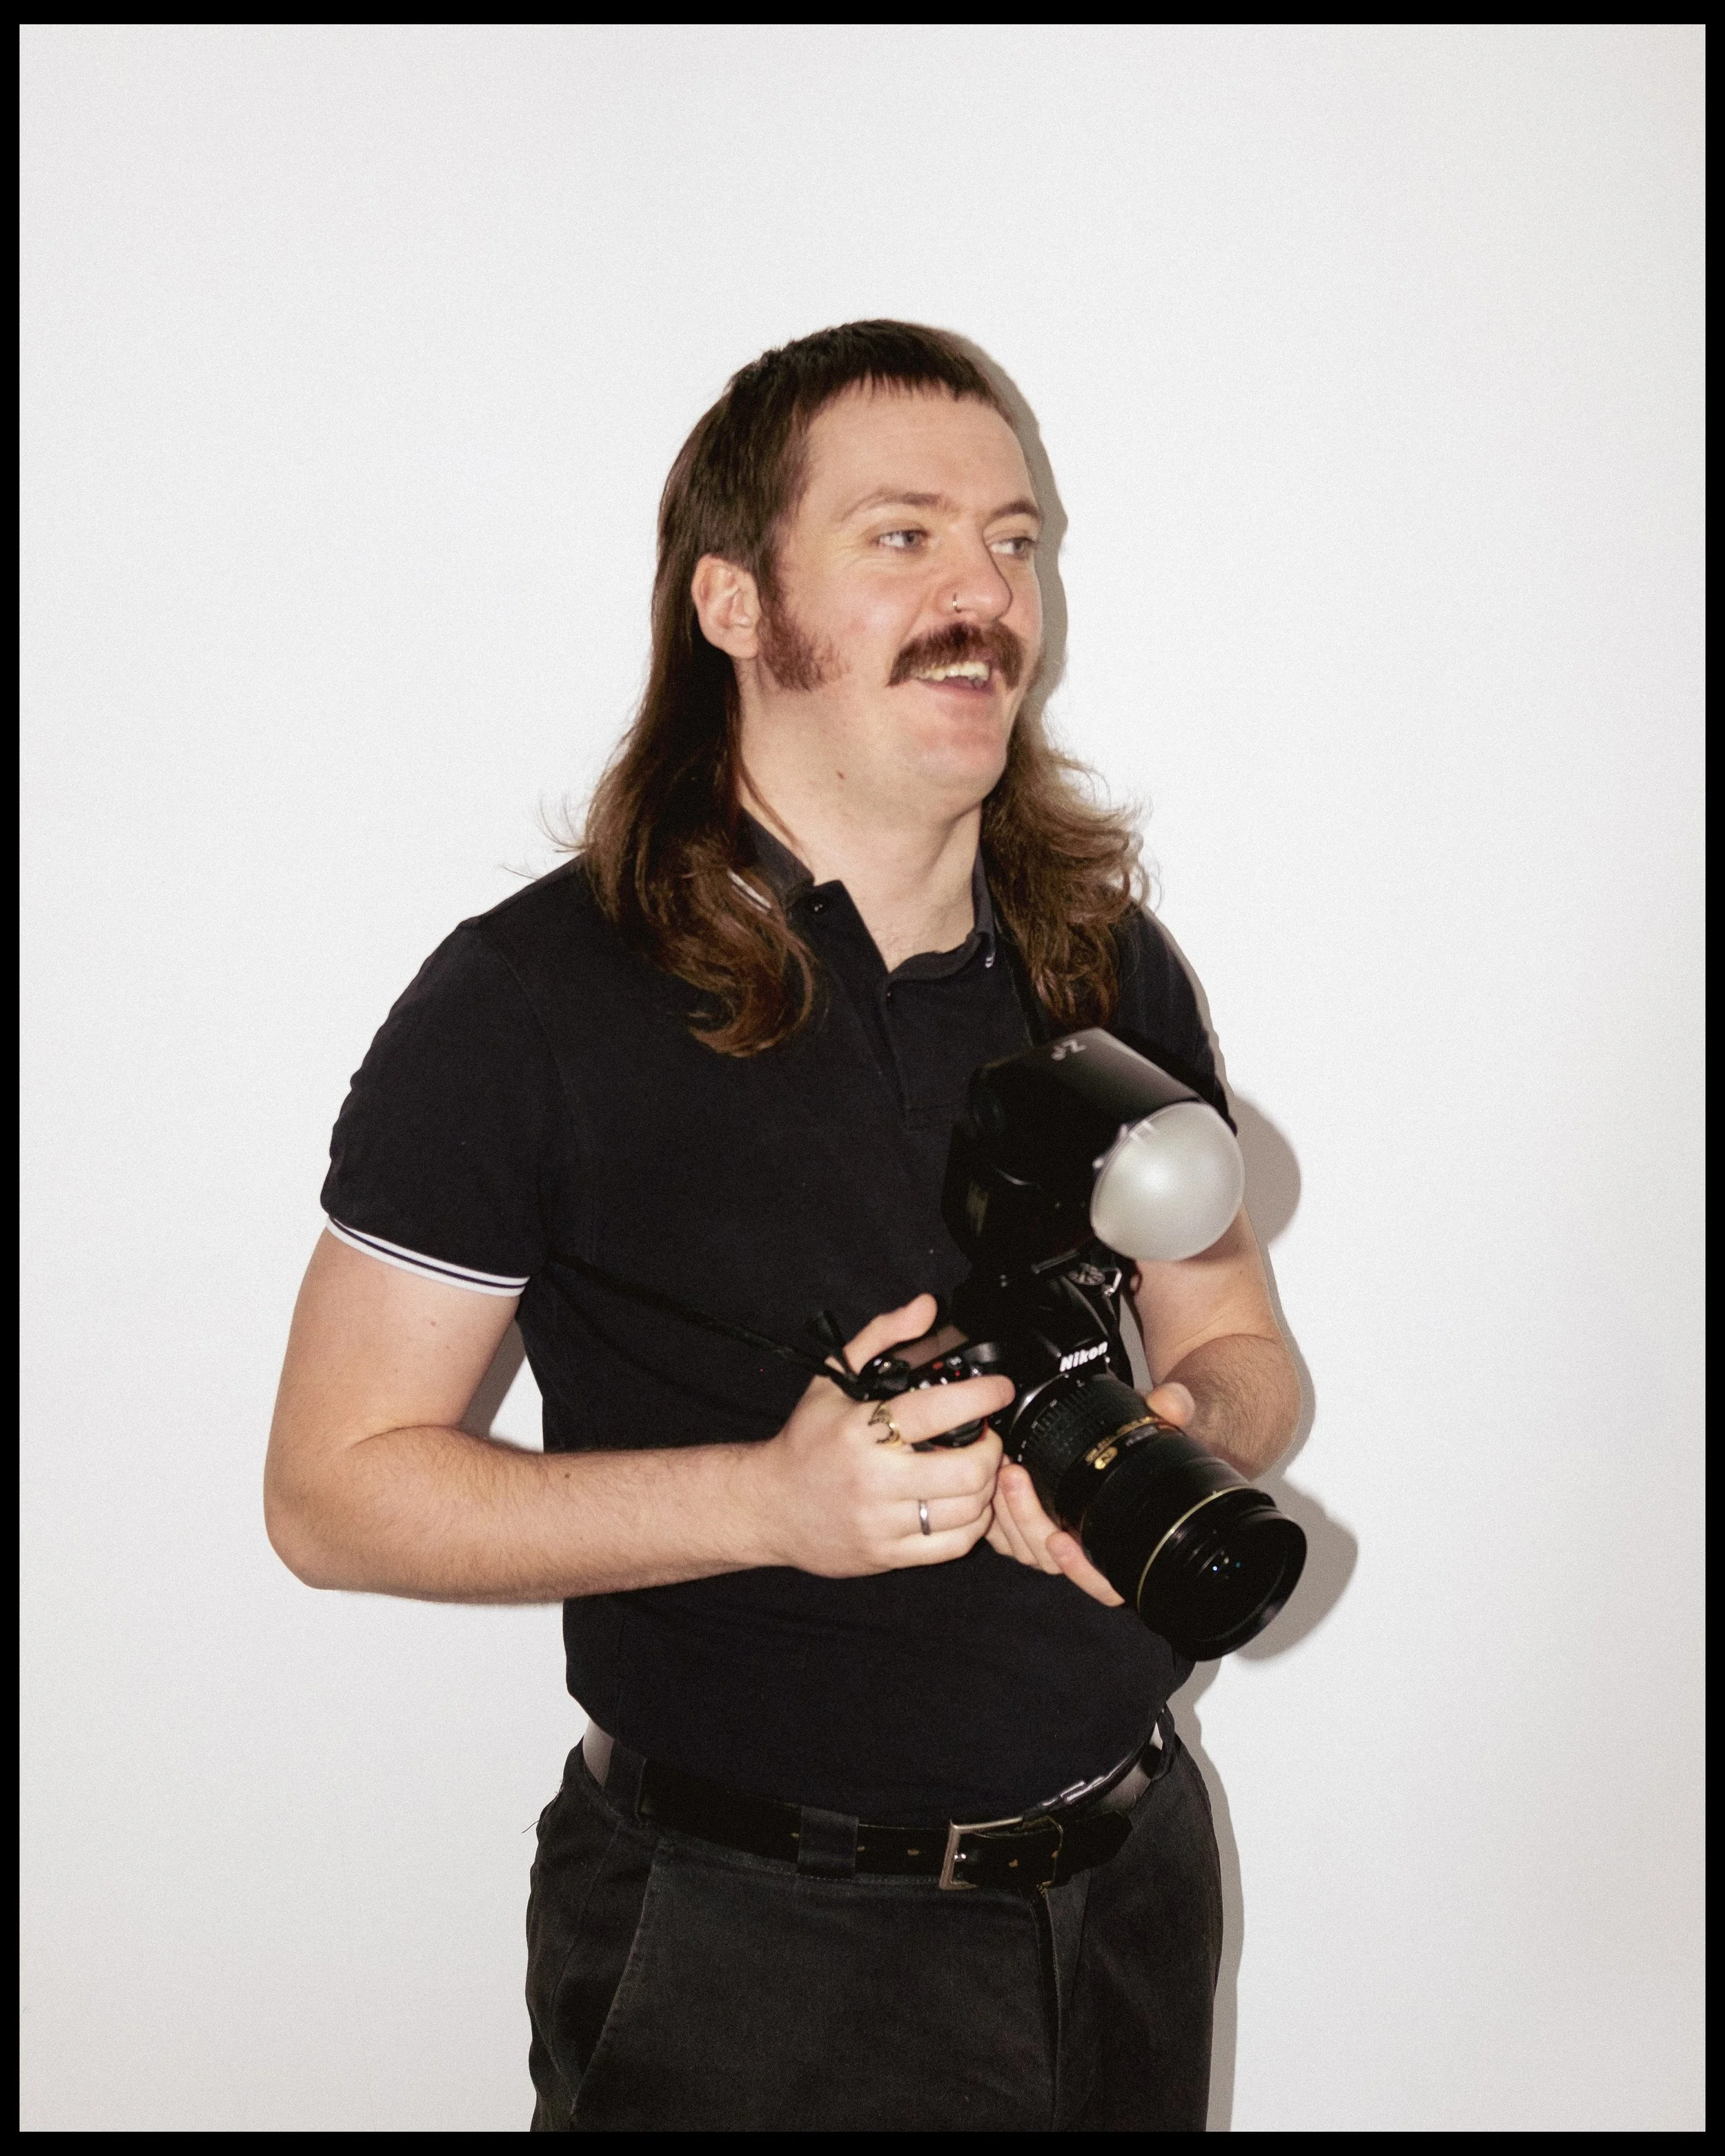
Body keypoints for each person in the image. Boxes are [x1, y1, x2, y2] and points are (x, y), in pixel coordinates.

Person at [264, 320, 1301, 2133]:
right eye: (903, 535)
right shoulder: (531, 1001)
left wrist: (1172, 1436)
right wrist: (768, 1504)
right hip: (754, 1949)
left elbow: (1236, 1345)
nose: (981, 595)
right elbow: (331, 1492)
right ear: (731, 602)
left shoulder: (1098, 959)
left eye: (1013, 541)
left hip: (1125, 1889)